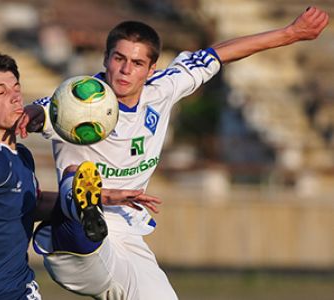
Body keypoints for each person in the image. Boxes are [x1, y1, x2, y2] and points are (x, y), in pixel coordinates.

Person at [18, 6, 329, 299]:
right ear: (105, 58)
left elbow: (219, 54)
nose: (125, 70)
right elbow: (39, 112)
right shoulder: (75, 99)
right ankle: (81, 206)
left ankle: (83, 207)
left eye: (137, 63)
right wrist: (28, 113)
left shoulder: (163, 88)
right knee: (79, 193)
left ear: (151, 68)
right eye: (119, 58)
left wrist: (291, 33)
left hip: (129, 233)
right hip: (78, 243)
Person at [0, 53, 161, 300]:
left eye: (16, 88)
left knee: (73, 176)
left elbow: (30, 205)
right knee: (72, 172)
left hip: (17, 291)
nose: (15, 97)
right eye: (1, 93)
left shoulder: (20, 155)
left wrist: (101, 198)